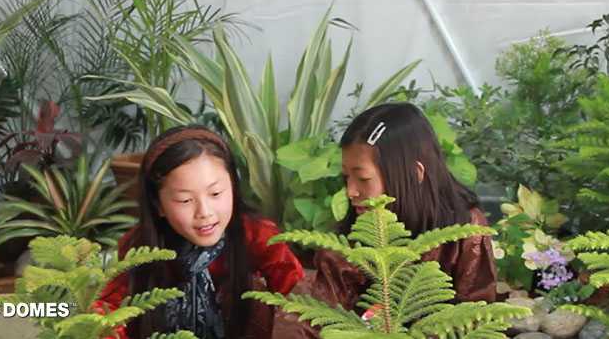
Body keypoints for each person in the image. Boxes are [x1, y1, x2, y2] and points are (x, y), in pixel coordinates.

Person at [275, 103, 497, 338]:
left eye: (362, 178)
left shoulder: (463, 230)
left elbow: (475, 315)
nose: (351, 191)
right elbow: (311, 315)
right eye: (346, 177)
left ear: (414, 174)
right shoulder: (353, 239)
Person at [94, 125, 304, 339]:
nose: (204, 212)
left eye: (215, 193)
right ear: (158, 205)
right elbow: (106, 309)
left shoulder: (257, 236)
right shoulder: (140, 247)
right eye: (185, 200)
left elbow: (300, 302)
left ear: (233, 187)